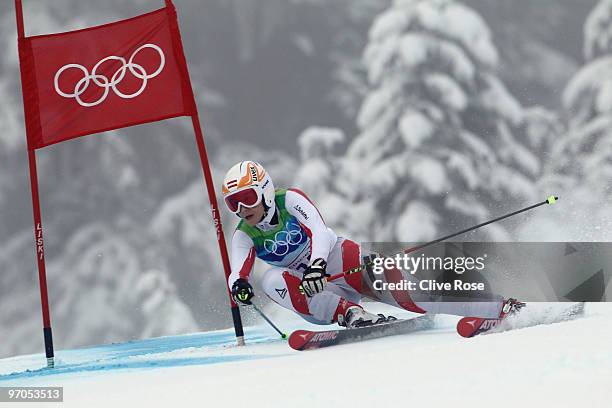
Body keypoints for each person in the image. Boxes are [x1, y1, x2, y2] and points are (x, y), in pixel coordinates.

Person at [222, 161, 523, 329]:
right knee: (269, 279)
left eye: (247, 198)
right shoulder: (244, 234)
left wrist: (316, 266)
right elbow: (238, 272)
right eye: (233, 203)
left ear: (263, 191)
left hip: (337, 261)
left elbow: (318, 231)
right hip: (314, 292)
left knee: (407, 293)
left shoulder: (289, 200)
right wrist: (239, 286)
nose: (242, 208)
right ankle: (350, 313)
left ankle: (498, 306)